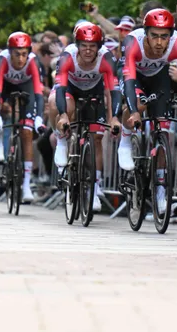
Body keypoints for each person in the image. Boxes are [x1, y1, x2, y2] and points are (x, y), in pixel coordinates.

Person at [118, 9, 177, 213]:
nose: (159, 43)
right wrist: (134, 111)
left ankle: (160, 188)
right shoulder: (132, 42)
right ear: (145, 34)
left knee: (163, 130)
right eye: (154, 36)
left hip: (160, 78)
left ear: (171, 35)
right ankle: (125, 140)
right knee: (139, 105)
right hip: (135, 77)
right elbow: (129, 79)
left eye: (164, 37)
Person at [50, 22, 122, 212]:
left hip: (95, 91)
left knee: (97, 138)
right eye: (84, 46)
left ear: (99, 48)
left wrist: (113, 117)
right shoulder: (67, 56)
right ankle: (62, 140)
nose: (88, 51)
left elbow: (113, 91)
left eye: (92, 47)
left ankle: (95, 185)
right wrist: (64, 116)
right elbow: (60, 89)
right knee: (57, 104)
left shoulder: (106, 58)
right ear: (77, 45)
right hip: (71, 90)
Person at [0, 32, 46, 203]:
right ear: (10, 52)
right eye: (17, 54)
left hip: (26, 86)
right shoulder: (2, 60)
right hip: (5, 86)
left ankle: (27, 184)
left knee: (27, 133)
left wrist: (38, 118)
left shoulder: (33, 61)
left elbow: (38, 94)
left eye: (24, 54)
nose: (21, 58)